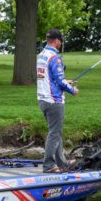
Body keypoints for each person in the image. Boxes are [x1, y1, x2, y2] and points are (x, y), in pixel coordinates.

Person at [36, 29, 79, 173]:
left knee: (56, 132)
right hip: (54, 101)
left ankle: (62, 163)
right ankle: (48, 165)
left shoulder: (41, 55)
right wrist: (72, 90)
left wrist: (66, 81)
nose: (61, 43)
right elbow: (60, 82)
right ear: (56, 41)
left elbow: (51, 77)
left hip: (43, 100)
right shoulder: (55, 57)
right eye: (60, 41)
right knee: (54, 133)